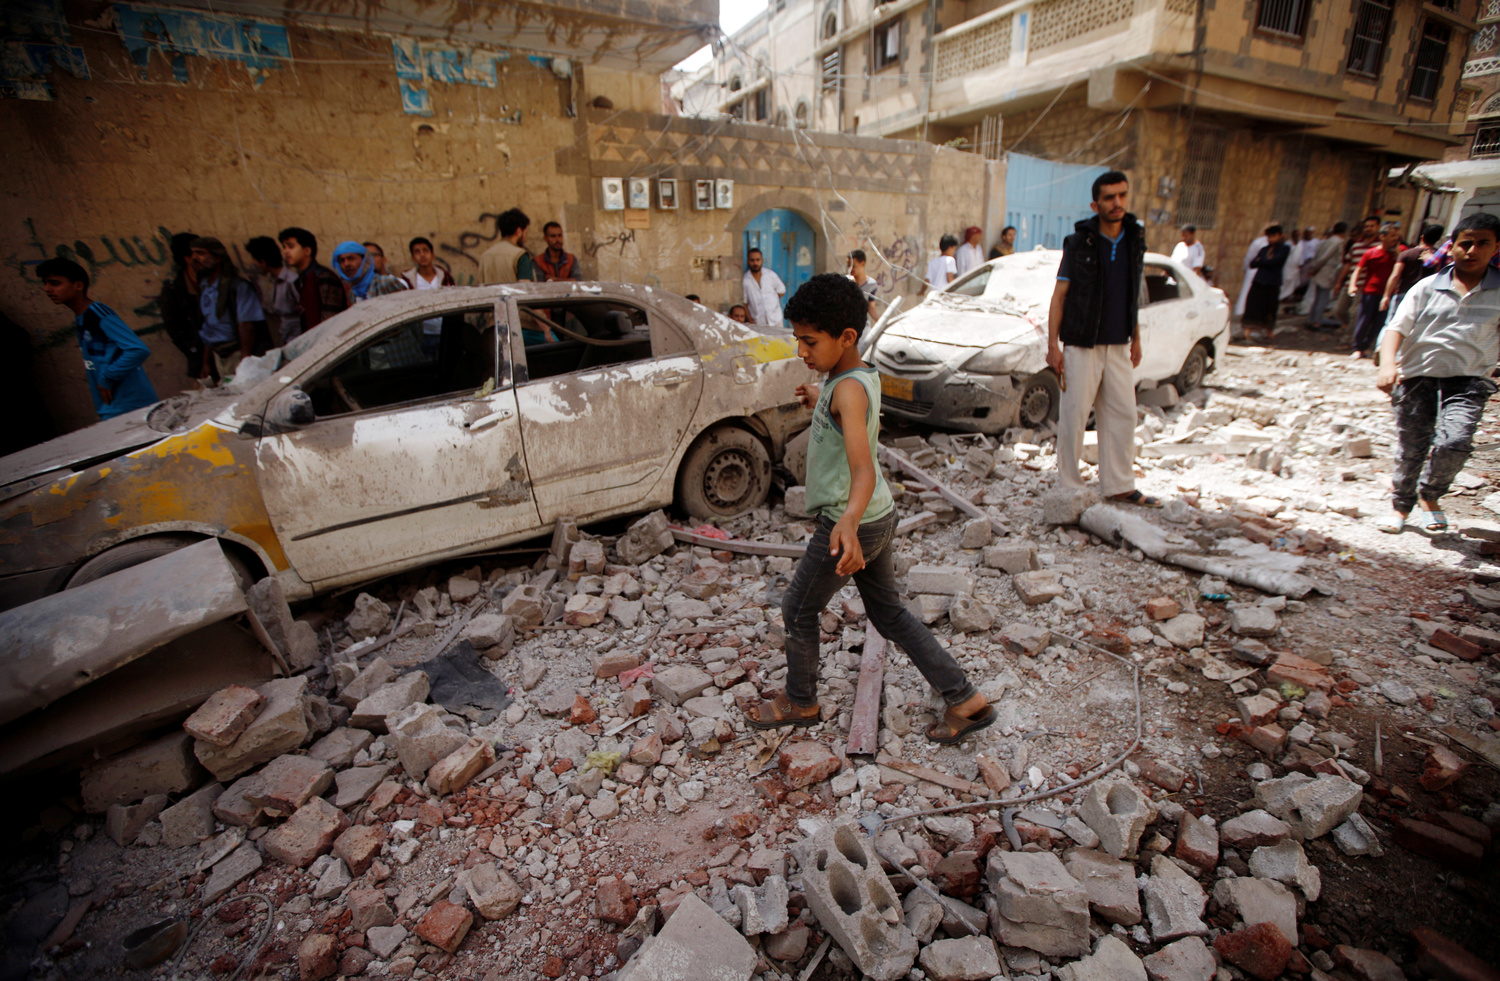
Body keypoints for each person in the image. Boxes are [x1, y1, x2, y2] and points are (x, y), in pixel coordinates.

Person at [742, 273, 993, 743]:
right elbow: (846, 413)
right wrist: (821, 401)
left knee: (797, 609)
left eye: (809, 341)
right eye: (797, 339)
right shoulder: (850, 379)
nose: (801, 351)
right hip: (877, 516)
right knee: (890, 614)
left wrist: (849, 524)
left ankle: (801, 701)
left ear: (847, 337)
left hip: (851, 519)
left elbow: (863, 469)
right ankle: (964, 698)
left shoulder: (848, 392)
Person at [1374, 212, 1500, 535]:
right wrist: (1388, 364)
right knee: (1411, 447)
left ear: (1496, 247)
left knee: (1455, 441)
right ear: (1452, 246)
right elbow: (1396, 329)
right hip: (1418, 377)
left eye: (1482, 243)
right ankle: (1401, 506)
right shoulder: (1427, 287)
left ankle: (1430, 496)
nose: (1472, 251)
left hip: (1470, 381)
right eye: (1465, 243)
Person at [1047, 171, 1159, 507]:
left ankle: (1120, 485)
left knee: (1124, 415)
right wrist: (1053, 346)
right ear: (1096, 204)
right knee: (1074, 416)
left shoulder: (1134, 240)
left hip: (1118, 343)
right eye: (1110, 198)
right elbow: (1059, 296)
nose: (1117, 203)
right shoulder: (1080, 242)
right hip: (1081, 344)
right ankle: (1069, 485)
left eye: (1122, 195)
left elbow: (1132, 294)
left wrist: (1136, 337)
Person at [38, 257, 158, 420]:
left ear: (78, 285)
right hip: (114, 408)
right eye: (45, 283)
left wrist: (106, 378)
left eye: (55, 283)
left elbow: (138, 349)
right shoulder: (83, 317)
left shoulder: (98, 313)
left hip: (130, 406)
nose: (47, 289)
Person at [189, 236, 265, 381]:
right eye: (193, 253)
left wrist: (245, 361)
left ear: (218, 258)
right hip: (219, 356)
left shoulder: (238, 286)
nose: (194, 258)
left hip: (238, 354)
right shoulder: (205, 288)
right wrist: (206, 362)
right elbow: (208, 328)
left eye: (200, 253)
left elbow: (246, 325)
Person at [279, 226, 346, 340]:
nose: (286, 251)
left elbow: (331, 320)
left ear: (307, 251)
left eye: (291, 246)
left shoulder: (322, 277)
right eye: (284, 247)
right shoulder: (302, 279)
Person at [1349, 221, 1403, 358]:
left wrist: (1397, 252)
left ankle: (1368, 346)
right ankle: (1358, 347)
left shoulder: (1398, 253)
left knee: (1379, 322)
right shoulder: (1371, 253)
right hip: (1370, 291)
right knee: (1363, 320)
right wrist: (1352, 284)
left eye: (1396, 235)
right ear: (1383, 237)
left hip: (1388, 293)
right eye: (1392, 235)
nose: (1395, 238)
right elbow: (1358, 269)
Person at [157, 231, 204, 378]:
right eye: (198, 253)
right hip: (201, 363)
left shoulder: (216, 283)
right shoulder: (174, 291)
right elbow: (174, 328)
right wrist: (193, 351)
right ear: (188, 258)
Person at [1382, 223, 1444, 322]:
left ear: (1422, 237)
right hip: (1425, 297)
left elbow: (1395, 275)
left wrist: (1386, 296)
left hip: (1403, 293)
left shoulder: (1406, 254)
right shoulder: (1438, 257)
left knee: (1392, 323)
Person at [403, 236, 456, 354]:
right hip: (424, 335)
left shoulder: (445, 277)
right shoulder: (409, 281)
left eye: (425, 250)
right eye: (417, 252)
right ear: (413, 258)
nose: (422, 255)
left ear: (432, 255)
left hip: (446, 332)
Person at [246, 235, 301, 347]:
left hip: (298, 338)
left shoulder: (291, 281)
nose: (255, 266)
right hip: (287, 337)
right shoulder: (275, 281)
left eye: (255, 262)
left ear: (263, 262)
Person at [1242, 225, 1291, 344]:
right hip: (1259, 281)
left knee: (1270, 308)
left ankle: (1269, 332)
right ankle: (1248, 333)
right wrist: (1265, 261)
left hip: (1272, 283)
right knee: (1252, 306)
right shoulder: (1264, 249)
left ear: (1280, 236)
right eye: (1269, 236)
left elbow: (1275, 262)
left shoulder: (1284, 248)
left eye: (1274, 236)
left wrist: (1262, 261)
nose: (1271, 239)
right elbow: (1253, 263)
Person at [1332, 216, 1380, 328]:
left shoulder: (1380, 246)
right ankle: (1349, 328)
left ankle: (1349, 338)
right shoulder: (1357, 244)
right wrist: (1339, 283)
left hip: (1365, 285)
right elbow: (1348, 264)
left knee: (1354, 312)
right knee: (1339, 310)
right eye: (1367, 226)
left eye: (1372, 226)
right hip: (1350, 284)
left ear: (1378, 227)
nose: (1369, 229)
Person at [331, 241, 407, 303]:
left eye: (351, 258)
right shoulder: (352, 293)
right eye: (342, 260)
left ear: (365, 261)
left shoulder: (385, 282)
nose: (346, 264)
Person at [1303, 222, 1347, 328]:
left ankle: (1313, 319)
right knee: (1323, 297)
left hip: (1321, 270)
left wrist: (1314, 268)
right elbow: (1325, 257)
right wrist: (1315, 268)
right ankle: (1316, 321)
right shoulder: (1337, 242)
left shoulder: (1326, 241)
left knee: (1319, 297)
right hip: (1327, 271)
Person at [479, 208, 534, 284]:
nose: (525, 239)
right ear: (519, 231)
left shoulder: (485, 256)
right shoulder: (520, 255)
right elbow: (526, 288)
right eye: (526, 233)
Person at [742, 247, 786, 327]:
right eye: (752, 260)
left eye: (757, 260)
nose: (755, 263)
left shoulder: (770, 275)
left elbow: (782, 290)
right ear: (748, 261)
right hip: (758, 322)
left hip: (775, 319)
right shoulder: (745, 280)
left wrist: (771, 300)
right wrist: (750, 321)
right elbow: (744, 303)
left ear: (762, 260)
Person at [1233, 229, 1268, 319]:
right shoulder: (1258, 242)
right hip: (1253, 270)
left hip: (1262, 272)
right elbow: (1250, 257)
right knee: (1248, 291)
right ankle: (1243, 311)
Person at [847, 249, 879, 321]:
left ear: (862, 264)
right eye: (848, 266)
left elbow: (871, 307)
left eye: (853, 266)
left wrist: (880, 322)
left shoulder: (871, 284)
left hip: (864, 328)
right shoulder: (845, 281)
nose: (850, 269)